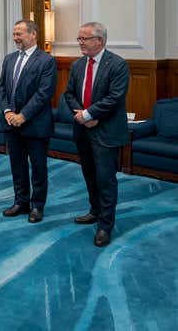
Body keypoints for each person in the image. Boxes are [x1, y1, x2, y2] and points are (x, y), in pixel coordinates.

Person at [64, 22, 129, 247]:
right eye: (79, 38)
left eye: (84, 39)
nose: (80, 42)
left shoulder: (117, 64)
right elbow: (69, 93)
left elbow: (115, 97)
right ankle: (94, 210)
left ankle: (105, 225)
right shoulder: (77, 65)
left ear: (99, 41)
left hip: (106, 130)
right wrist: (81, 115)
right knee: (89, 173)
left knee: (106, 179)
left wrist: (91, 114)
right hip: (82, 129)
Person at [0, 19, 57, 224]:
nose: (15, 38)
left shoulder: (46, 61)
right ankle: (20, 202)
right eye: (14, 34)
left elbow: (44, 93)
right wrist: (7, 111)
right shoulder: (9, 58)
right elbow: (2, 88)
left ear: (33, 34)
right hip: (11, 123)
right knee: (17, 165)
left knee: (38, 168)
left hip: (35, 124)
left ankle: (37, 206)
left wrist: (23, 116)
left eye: (19, 34)